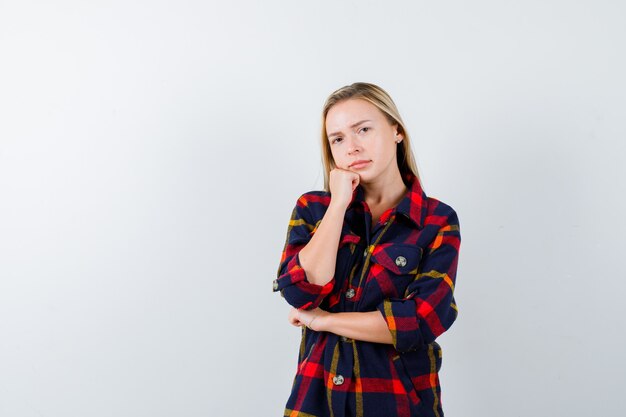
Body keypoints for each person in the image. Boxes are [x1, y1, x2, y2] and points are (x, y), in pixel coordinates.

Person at [272, 82, 461, 417]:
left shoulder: (436, 220)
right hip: (316, 399)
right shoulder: (314, 209)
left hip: (398, 403)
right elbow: (302, 291)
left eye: (363, 129)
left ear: (396, 131)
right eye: (338, 139)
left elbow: (419, 321)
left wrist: (324, 321)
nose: (352, 147)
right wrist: (339, 203)